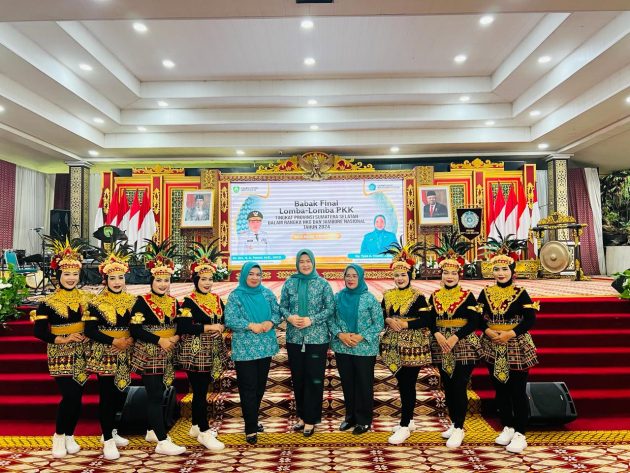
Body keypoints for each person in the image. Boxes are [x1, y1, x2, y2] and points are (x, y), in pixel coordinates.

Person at [31, 237, 92, 459]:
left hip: (82, 353)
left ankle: (70, 436)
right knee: (70, 396)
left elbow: (94, 325)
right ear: (59, 276)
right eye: (67, 274)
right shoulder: (47, 302)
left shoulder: (86, 298)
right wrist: (62, 339)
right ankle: (58, 436)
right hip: (60, 353)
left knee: (78, 396)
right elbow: (39, 331)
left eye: (75, 274)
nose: (71, 278)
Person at [477, 252, 539, 454]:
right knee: (500, 388)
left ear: (512, 271)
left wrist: (510, 334)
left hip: (515, 344)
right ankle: (508, 426)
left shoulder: (521, 293)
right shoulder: (485, 293)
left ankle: (520, 432)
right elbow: (478, 318)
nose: (500, 273)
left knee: (517, 390)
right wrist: (488, 332)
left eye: (504, 269)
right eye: (496, 269)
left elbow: (530, 319)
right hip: (492, 343)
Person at [129, 241, 186, 456]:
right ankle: (162, 441)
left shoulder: (173, 302)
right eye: (159, 280)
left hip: (168, 351)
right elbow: (135, 329)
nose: (163, 284)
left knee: (161, 391)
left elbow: (181, 324)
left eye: (166, 280)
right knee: (154, 395)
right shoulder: (142, 302)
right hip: (150, 353)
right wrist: (159, 340)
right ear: (151, 280)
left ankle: (153, 430)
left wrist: (176, 337)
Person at [84, 250, 136, 460]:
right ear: (105, 280)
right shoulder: (95, 303)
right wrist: (114, 341)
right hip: (105, 352)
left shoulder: (132, 301)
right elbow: (90, 330)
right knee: (107, 395)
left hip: (126, 351)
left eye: (120, 277)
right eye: (112, 278)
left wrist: (129, 341)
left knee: (122, 391)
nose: (117, 282)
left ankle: (113, 431)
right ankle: (107, 439)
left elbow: (138, 326)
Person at [379, 245, 433, 445]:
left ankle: (404, 424)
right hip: (392, 344)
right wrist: (387, 320)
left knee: (408, 383)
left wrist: (405, 324)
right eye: (397, 275)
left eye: (403, 275)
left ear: (410, 275)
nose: (400, 278)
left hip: (413, 346)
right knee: (402, 383)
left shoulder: (418, 296)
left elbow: (427, 320)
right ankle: (408, 421)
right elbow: (380, 315)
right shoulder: (387, 295)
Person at [176, 244, 227, 451]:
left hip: (212, 350)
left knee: (203, 389)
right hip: (195, 352)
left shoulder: (216, 299)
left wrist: (221, 327)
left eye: (210, 279)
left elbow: (224, 319)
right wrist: (208, 327)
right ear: (196, 280)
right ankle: (204, 431)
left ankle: (196, 426)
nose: (207, 283)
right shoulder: (189, 302)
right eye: (203, 279)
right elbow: (183, 326)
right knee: (199, 391)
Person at [428, 253, 482, 449]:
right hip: (441, 345)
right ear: (441, 274)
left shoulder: (468, 296)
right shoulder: (434, 296)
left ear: (459, 275)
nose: (449, 276)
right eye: (445, 273)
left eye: (453, 273)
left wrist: (455, 337)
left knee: (459, 385)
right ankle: (453, 423)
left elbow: (474, 322)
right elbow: (429, 320)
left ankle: (460, 427)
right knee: (448, 385)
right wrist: (437, 334)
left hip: (463, 344)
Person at [279, 249, 335, 437]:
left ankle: (311, 419)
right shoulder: (289, 283)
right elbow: (282, 307)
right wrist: (290, 317)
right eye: (301, 261)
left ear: (313, 262)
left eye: (308, 261)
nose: (305, 264)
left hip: (317, 339)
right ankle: (302, 417)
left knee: (314, 378)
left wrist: (312, 319)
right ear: (297, 263)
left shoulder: (322, 284)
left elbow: (330, 309)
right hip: (294, 338)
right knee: (298, 378)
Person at [224, 262, 280, 444]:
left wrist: (271, 322)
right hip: (245, 349)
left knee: (259, 387)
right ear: (244, 275)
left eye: (258, 274)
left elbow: (277, 313)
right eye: (251, 274)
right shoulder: (236, 296)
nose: (255, 277)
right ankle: (250, 428)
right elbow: (230, 319)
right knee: (248, 388)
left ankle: (253, 420)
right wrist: (250, 325)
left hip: (265, 347)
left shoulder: (267, 293)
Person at [330, 264, 384, 435]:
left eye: (354, 276)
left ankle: (364, 420)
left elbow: (379, 323)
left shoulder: (369, 298)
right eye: (348, 275)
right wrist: (341, 335)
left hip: (364, 348)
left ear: (360, 278)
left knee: (363, 384)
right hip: (343, 346)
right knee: (347, 383)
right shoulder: (338, 297)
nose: (351, 279)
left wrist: (361, 336)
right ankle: (350, 417)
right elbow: (330, 319)